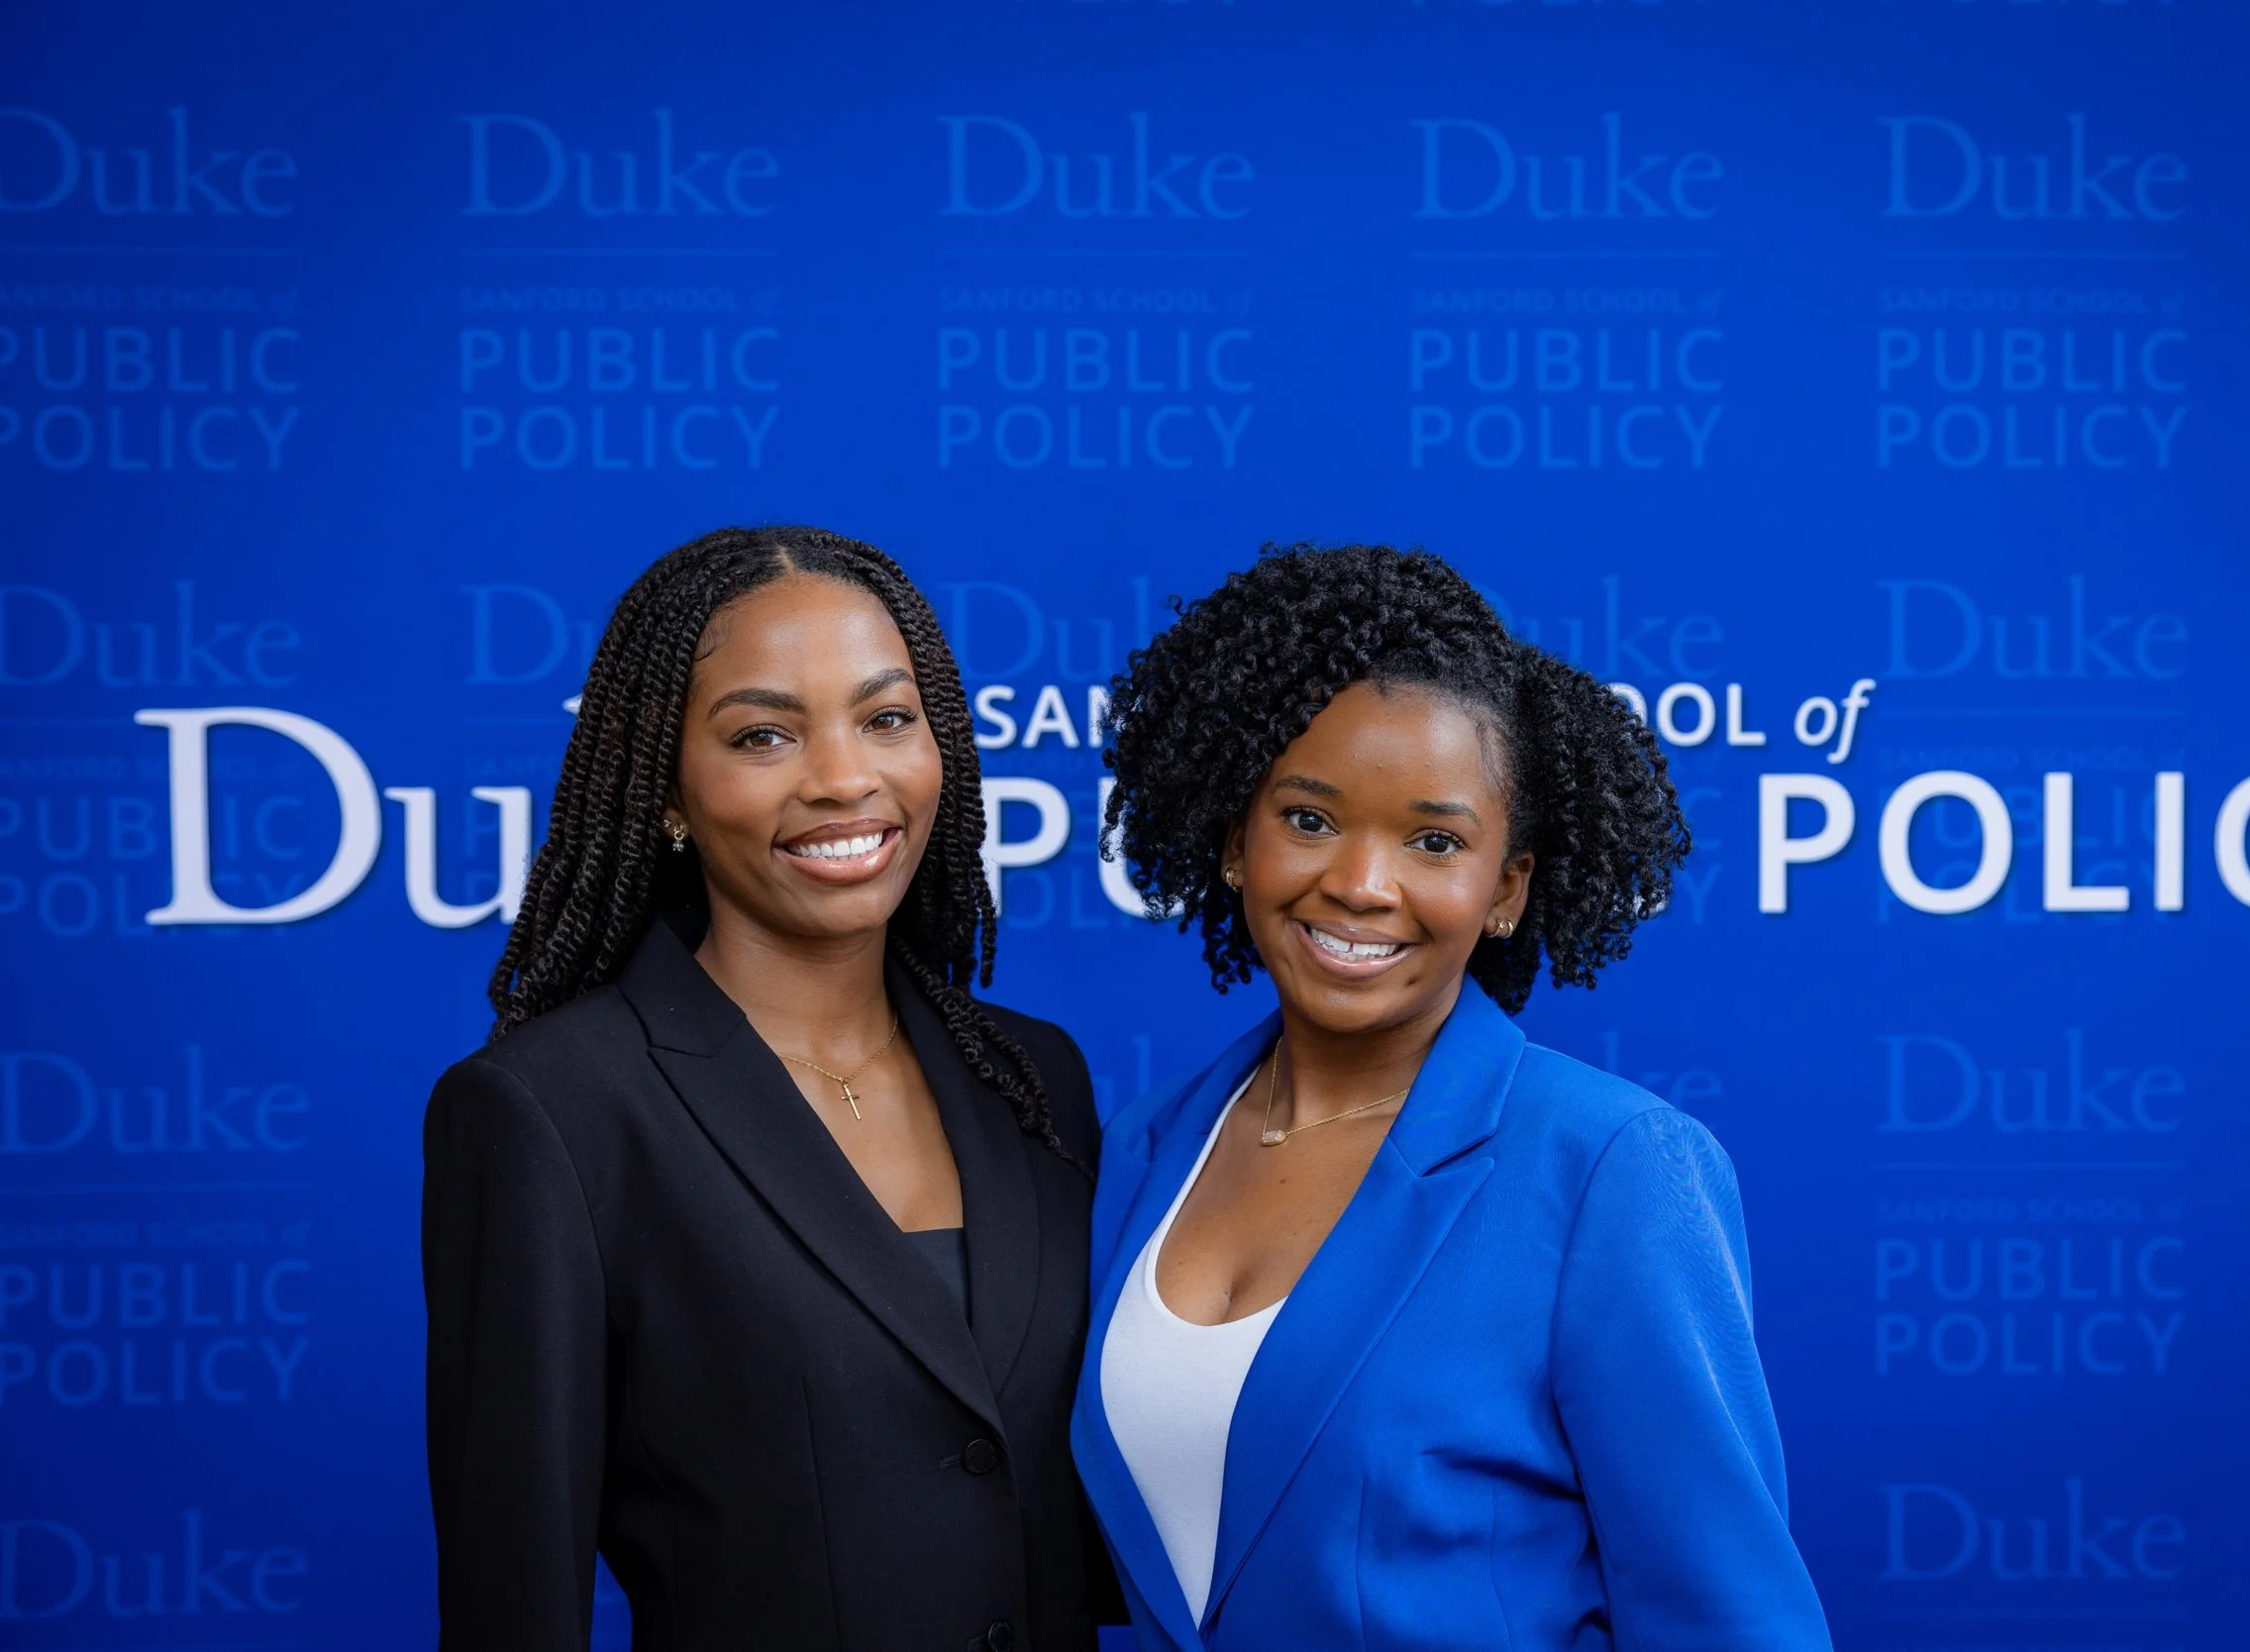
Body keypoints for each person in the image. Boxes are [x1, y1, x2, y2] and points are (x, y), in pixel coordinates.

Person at [1074, 545, 1831, 1650]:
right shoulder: (1143, 1151)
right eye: (1309, 819)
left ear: (1506, 890)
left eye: (1434, 841)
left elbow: (1730, 1620)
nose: (1362, 884)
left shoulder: (1608, 1169)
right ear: (1236, 840)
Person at [424, 526, 1112, 1652]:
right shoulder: (551, 1112)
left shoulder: (1036, 1079)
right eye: (762, 735)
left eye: (888, 718)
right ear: (667, 793)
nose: (846, 777)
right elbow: (514, 1598)